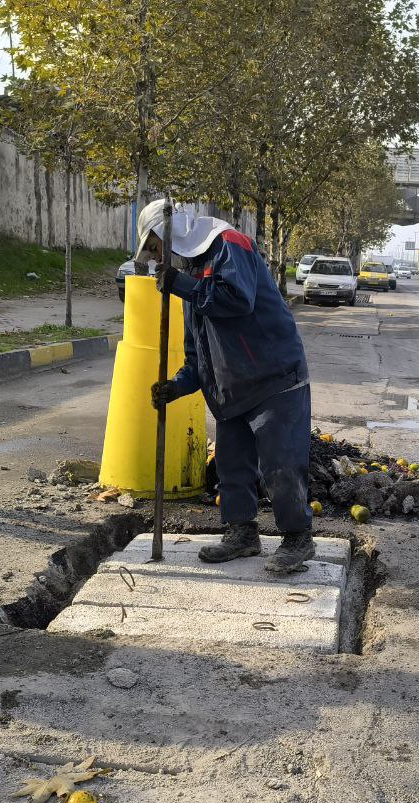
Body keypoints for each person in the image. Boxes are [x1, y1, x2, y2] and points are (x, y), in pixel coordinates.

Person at [142, 201, 315, 575]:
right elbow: (198, 354)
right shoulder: (189, 273)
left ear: (172, 232)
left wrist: (183, 285)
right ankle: (242, 533)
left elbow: (237, 299)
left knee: (280, 464)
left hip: (274, 378)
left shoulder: (229, 243)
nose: (158, 258)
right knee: (231, 467)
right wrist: (177, 386)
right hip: (232, 390)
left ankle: (298, 538)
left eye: (155, 247)